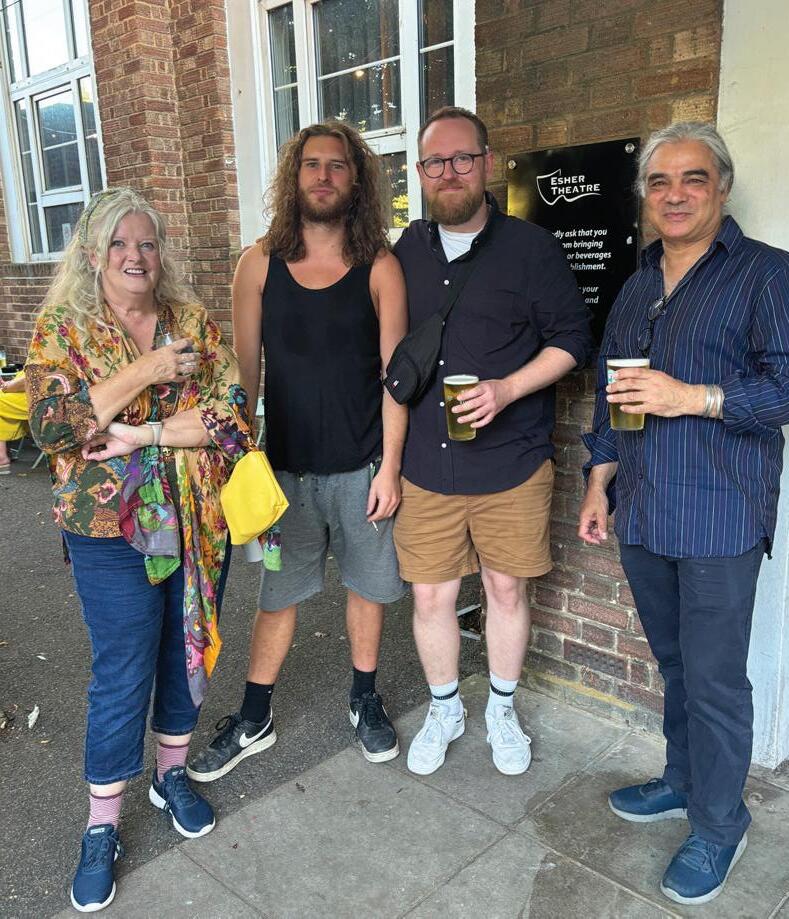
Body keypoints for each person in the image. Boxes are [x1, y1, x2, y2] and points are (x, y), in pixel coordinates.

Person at [26, 187, 255, 913]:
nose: (135, 256)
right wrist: (149, 372)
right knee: (123, 667)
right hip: (108, 531)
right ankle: (102, 824)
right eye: (120, 244)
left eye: (147, 243)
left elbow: (233, 416)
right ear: (93, 255)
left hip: (194, 517)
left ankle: (171, 773)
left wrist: (142, 433)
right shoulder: (64, 329)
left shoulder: (191, 322)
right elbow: (54, 429)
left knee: (186, 648)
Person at [578, 122, 789, 905]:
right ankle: (680, 778)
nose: (674, 194)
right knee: (674, 666)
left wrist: (693, 397)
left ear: (720, 187)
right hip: (641, 508)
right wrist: (596, 482)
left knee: (713, 680)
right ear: (644, 195)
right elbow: (612, 394)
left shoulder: (765, 274)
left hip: (717, 517)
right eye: (659, 181)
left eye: (692, 178)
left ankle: (718, 823)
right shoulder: (636, 284)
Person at [187, 121, 408, 782]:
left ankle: (363, 697)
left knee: (366, 589)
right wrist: (238, 457)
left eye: (336, 165)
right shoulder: (258, 264)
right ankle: (254, 716)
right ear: (294, 177)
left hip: (363, 467)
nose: (323, 176)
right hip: (284, 473)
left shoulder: (380, 266)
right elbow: (243, 373)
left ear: (355, 179)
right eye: (311, 164)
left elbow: (396, 378)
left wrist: (392, 468)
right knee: (277, 594)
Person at [392, 107, 592, 777]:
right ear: (421, 172)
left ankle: (500, 710)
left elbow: (573, 339)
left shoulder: (531, 248)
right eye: (435, 162)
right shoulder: (401, 254)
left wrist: (507, 389)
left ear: (485, 163)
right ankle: (445, 708)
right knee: (431, 597)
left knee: (505, 590)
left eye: (461, 158)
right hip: (425, 462)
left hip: (511, 460)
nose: (449, 173)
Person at [0, 371, 28, 471]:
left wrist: (7, 385)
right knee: (3, 410)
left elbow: (34, 377)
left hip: (38, 395)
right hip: (30, 390)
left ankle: (2, 457)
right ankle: (3, 455)